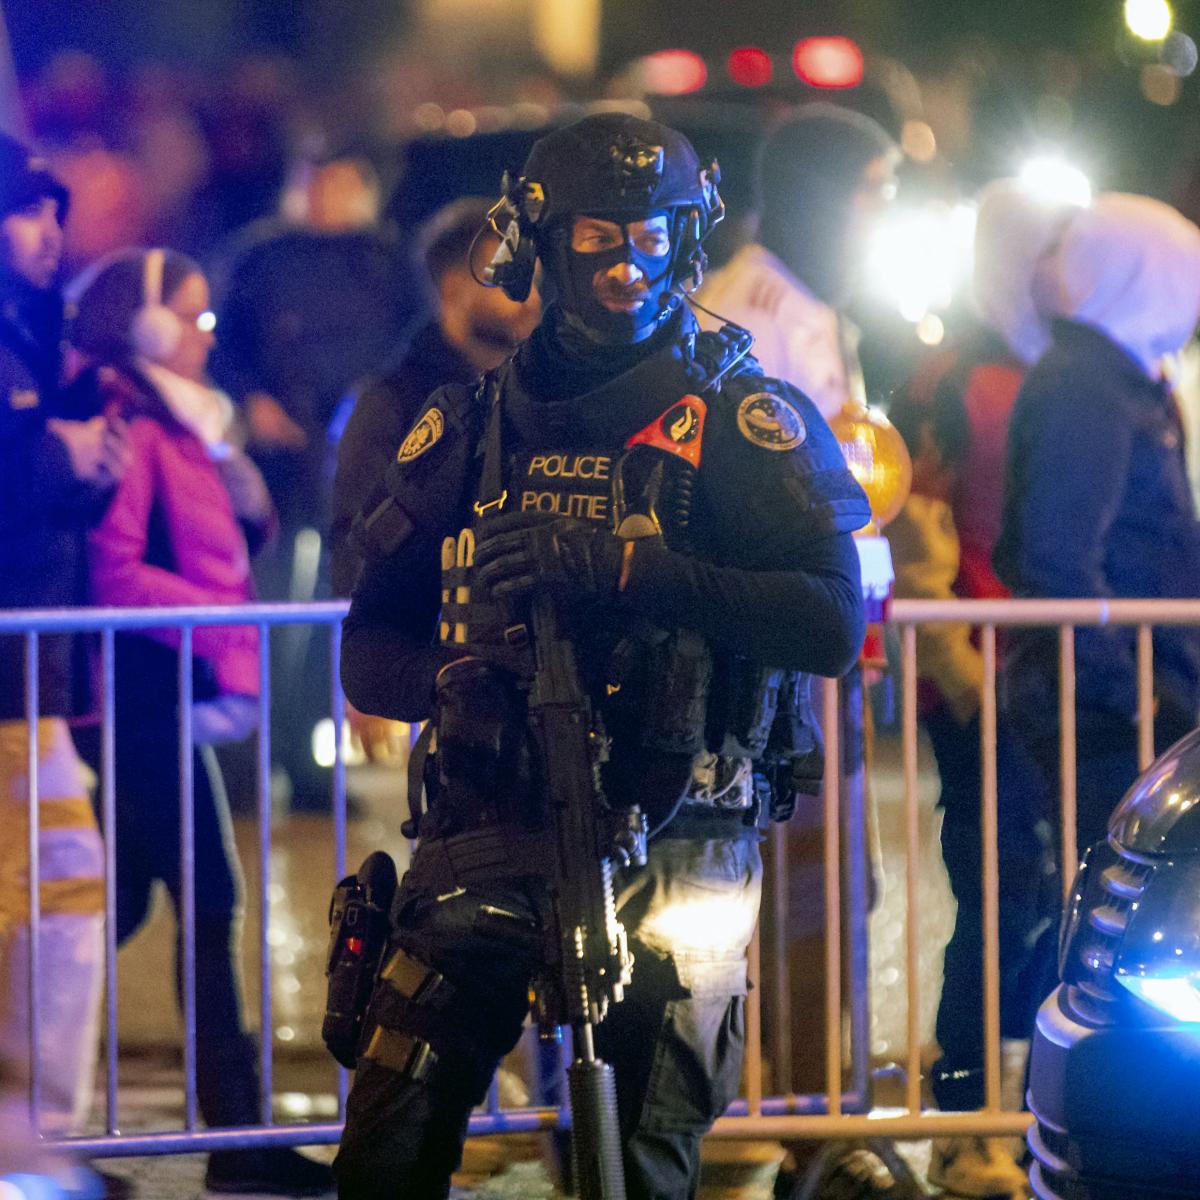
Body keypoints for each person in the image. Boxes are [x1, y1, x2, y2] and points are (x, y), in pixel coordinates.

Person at [332, 111, 871, 1200]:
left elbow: (829, 622)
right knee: (388, 1144)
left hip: (682, 836)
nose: (627, 263)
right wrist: (452, 683)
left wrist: (631, 574)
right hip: (488, 826)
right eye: (595, 238)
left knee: (639, 1162)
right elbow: (367, 642)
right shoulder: (474, 421)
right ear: (538, 242)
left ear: (689, 236)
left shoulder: (743, 417)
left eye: (653, 235)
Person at [67, 247, 332, 1197]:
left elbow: (206, 542)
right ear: (140, 325)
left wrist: (250, 503)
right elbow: (115, 570)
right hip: (133, 694)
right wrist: (226, 622)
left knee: (118, 912)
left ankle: (231, 1141)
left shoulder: (188, 424)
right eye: (190, 314)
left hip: (168, 694)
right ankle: (236, 1145)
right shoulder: (130, 421)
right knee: (191, 909)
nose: (206, 331)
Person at [887, 180, 1075, 1198]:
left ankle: (1018, 1105)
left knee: (1041, 892)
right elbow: (918, 539)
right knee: (998, 893)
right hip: (982, 681)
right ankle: (966, 1116)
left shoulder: (1052, 367)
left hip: (1041, 680)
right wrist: (967, 679)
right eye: (1047, 250)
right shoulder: (954, 379)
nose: (1063, 270)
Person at [211, 147, 421, 809]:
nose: (328, 195)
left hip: (355, 467)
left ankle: (307, 768)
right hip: (278, 466)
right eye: (317, 181)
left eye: (343, 180)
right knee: (271, 616)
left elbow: (412, 348)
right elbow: (222, 341)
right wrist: (252, 399)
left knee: (333, 617)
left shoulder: (392, 263)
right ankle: (248, 765)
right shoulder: (261, 258)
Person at [995, 193, 1200, 858]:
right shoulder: (1086, 386)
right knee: (1111, 897)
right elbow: (1057, 555)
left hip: (1138, 689)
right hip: (1111, 707)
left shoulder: (1122, 379)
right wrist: (1128, 693)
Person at [0, 133, 130, 1147]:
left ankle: (41, 1134)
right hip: (12, 685)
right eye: (30, 211)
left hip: (33, 680)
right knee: (56, 889)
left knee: (56, 891)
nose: (50, 234)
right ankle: (38, 1139)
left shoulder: (31, 334)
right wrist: (56, 451)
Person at [329, 195, 541, 598]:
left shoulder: (535, 396)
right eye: (512, 281)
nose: (531, 300)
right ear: (456, 290)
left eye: (533, 281)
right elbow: (357, 552)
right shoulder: (391, 404)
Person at [696, 102, 899, 422]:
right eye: (873, 188)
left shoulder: (807, 292)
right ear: (820, 197)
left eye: (889, 190)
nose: (884, 208)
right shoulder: (752, 318)